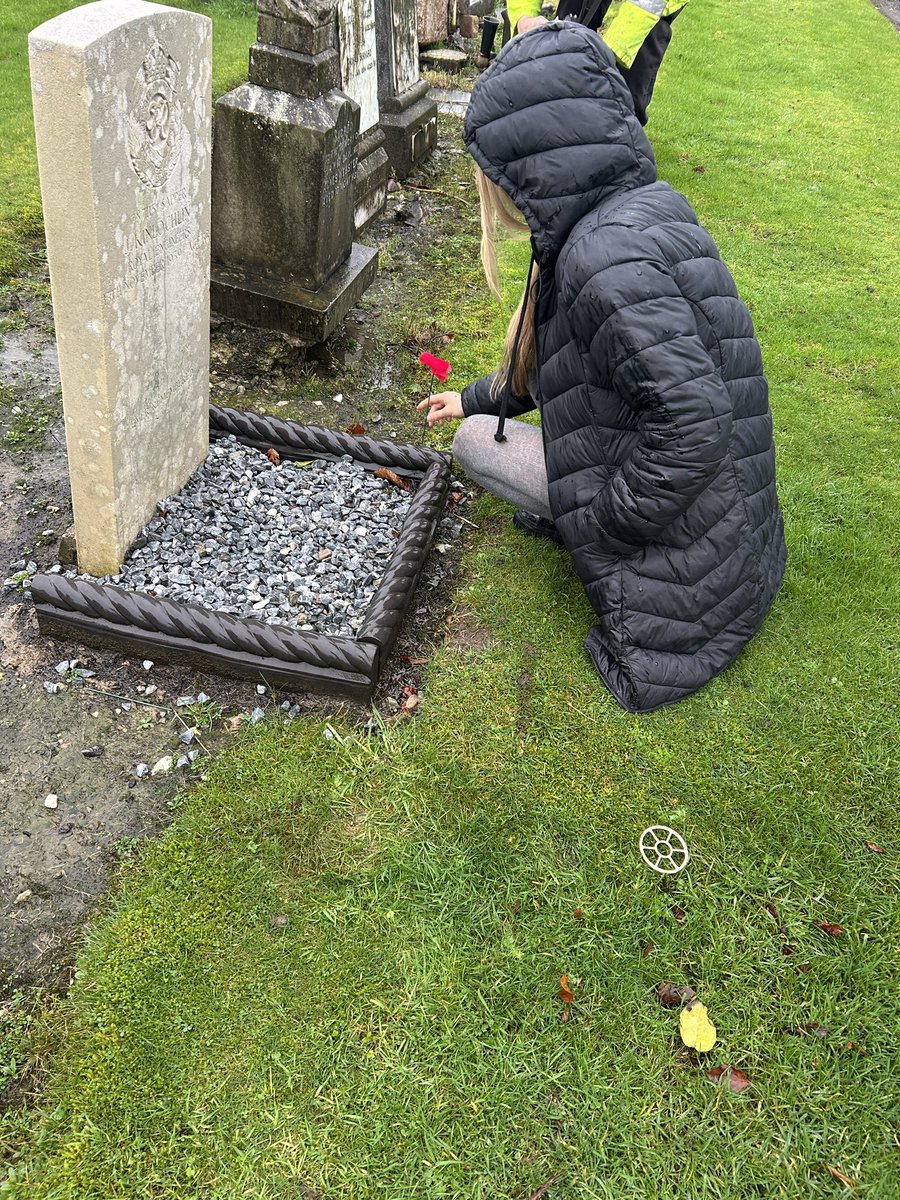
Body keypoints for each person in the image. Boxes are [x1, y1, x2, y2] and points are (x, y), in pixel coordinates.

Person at [417, 22, 786, 713]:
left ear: (529, 161)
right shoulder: (634, 212)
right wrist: (469, 397)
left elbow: (696, 425)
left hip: (693, 553)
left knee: (475, 450)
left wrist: (606, 521)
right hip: (733, 533)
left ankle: (592, 520)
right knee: (475, 428)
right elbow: (557, 368)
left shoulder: (598, 260)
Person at [508, 0, 689, 125]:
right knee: (568, 24)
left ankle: (622, 131)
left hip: (647, 6)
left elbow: (647, 6)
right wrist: (524, 18)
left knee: (627, 75)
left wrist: (605, 54)